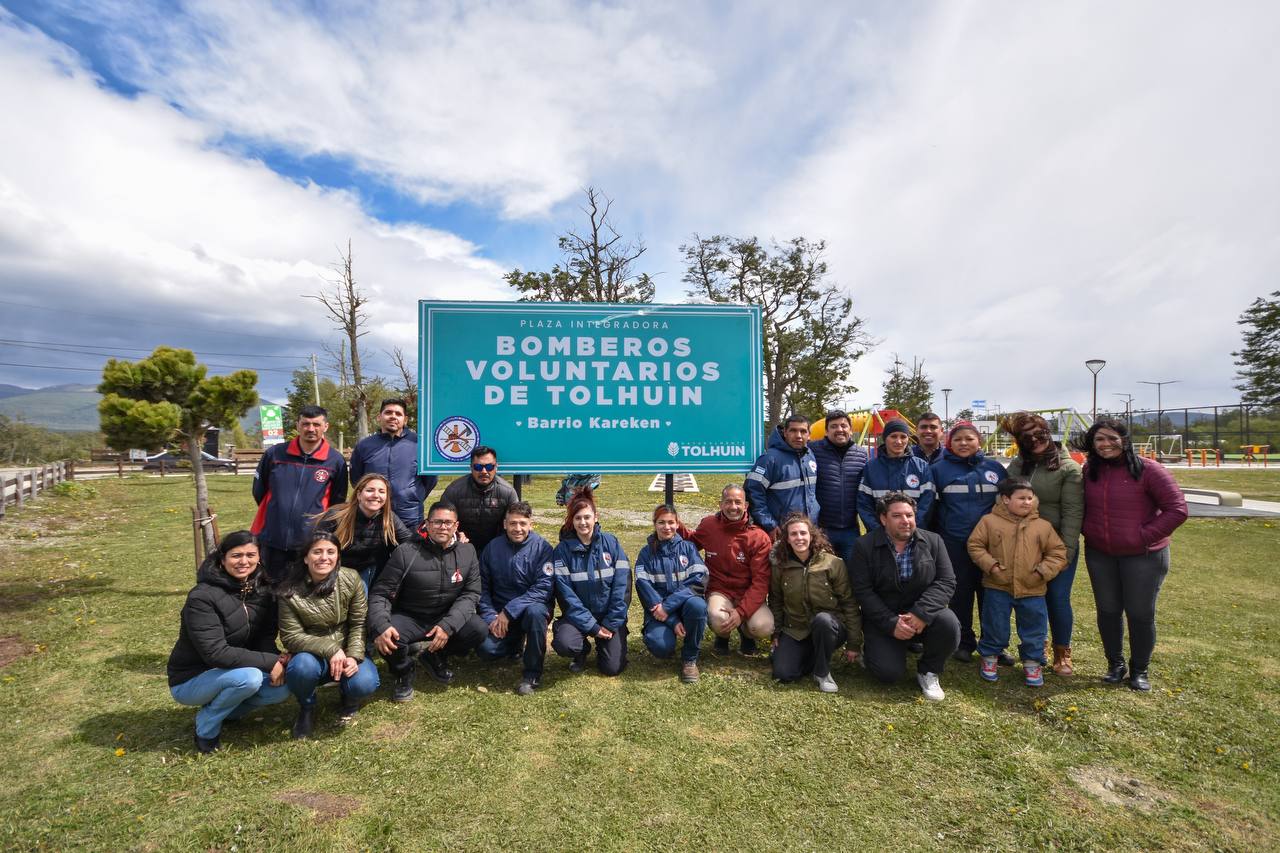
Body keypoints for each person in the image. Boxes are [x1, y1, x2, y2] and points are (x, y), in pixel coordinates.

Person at [1073, 418, 1187, 691]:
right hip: (1102, 554)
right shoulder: (1090, 471)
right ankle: (1115, 664)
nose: (1106, 444)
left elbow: (1177, 509)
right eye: (1100, 439)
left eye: (1112, 438)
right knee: (1108, 611)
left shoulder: (1149, 470)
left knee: (1139, 613)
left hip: (1143, 555)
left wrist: (1142, 536)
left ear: (1125, 440)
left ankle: (1139, 670)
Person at [168, 530, 292, 753]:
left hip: (234, 670)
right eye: (236, 555)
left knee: (280, 689)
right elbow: (215, 652)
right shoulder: (202, 596)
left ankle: (227, 710)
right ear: (222, 558)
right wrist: (268, 662)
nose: (244, 561)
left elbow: (264, 637)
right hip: (192, 678)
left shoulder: (262, 591)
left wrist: (276, 662)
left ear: (259, 557)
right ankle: (206, 727)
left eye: (250, 555)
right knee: (250, 678)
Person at [369, 501, 488, 702]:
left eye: (448, 523)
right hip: (410, 616)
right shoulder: (405, 552)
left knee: (478, 629)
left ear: (456, 526)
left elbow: (471, 594)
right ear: (427, 524)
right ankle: (403, 672)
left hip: (444, 615)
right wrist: (380, 624)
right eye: (437, 522)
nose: (443, 527)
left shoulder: (468, 552)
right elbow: (380, 594)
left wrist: (448, 625)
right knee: (389, 636)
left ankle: (435, 656)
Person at [848, 493, 960, 701]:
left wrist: (920, 613)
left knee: (949, 623)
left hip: (921, 618)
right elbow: (862, 591)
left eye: (909, 515)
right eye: (897, 516)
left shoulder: (933, 541)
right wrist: (891, 623)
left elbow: (946, 581)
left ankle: (928, 671)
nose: (905, 521)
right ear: (883, 519)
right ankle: (874, 650)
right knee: (888, 674)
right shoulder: (864, 546)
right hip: (884, 619)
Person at [1002, 412, 1084, 676]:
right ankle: (1039, 646)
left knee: (1057, 598)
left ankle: (1063, 651)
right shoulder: (1019, 465)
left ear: (1049, 433)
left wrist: (1067, 551)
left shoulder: (1068, 468)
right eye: (1027, 437)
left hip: (1056, 545)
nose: (1035, 440)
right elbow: (1004, 496)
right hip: (1025, 544)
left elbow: (1073, 512)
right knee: (1031, 599)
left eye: (1040, 434)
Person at [967, 477, 1068, 687]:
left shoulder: (1042, 526)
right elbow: (975, 545)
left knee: (1034, 627)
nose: (1026, 502)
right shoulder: (989, 522)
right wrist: (992, 567)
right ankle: (990, 657)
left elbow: (1058, 553)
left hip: (1033, 589)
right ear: (1005, 499)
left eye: (1030, 498)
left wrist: (1041, 572)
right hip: (998, 586)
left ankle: (1032, 662)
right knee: (995, 624)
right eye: (1021, 498)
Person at [277, 531, 378, 739]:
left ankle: (348, 695)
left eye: (331, 552)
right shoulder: (289, 591)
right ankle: (307, 706)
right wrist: (331, 649)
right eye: (317, 552)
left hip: (348, 647)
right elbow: (291, 636)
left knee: (365, 683)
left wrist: (354, 655)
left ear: (338, 556)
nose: (324, 557)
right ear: (306, 557)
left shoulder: (351, 578)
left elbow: (359, 622)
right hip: (312, 654)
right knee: (301, 668)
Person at [930, 420, 1007, 663]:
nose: (963, 443)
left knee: (991, 595)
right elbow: (932, 508)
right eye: (958, 439)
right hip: (955, 542)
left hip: (990, 546)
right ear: (949, 443)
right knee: (960, 594)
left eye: (969, 439)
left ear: (979, 441)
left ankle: (993, 644)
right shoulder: (938, 470)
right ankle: (963, 643)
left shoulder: (995, 468)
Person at [252, 405, 348, 582]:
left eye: (316, 424)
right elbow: (259, 491)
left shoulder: (335, 461)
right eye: (305, 424)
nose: (311, 429)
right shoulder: (275, 454)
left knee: (303, 595)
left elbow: (337, 502)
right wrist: (278, 512)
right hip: (272, 538)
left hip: (309, 543)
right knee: (268, 592)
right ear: (297, 425)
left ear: (325, 427)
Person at [768, 513, 861, 693]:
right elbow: (776, 600)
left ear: (812, 535)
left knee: (822, 621)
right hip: (796, 629)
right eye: (793, 534)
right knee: (783, 674)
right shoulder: (780, 566)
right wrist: (776, 634)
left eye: (803, 533)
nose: (799, 538)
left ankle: (822, 672)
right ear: (786, 539)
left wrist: (854, 643)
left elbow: (849, 603)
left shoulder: (833, 563)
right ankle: (812, 655)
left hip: (830, 626)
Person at [684, 484, 775, 655]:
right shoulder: (709, 525)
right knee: (718, 618)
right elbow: (691, 543)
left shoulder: (759, 537)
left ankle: (747, 634)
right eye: (728, 502)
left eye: (738, 502)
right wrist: (672, 525)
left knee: (764, 626)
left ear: (746, 505)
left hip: (747, 592)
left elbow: (761, 582)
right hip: (720, 591)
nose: (733, 507)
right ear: (720, 505)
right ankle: (723, 636)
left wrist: (741, 612)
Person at [476, 501, 555, 695]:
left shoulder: (543, 549)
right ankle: (514, 644)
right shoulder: (492, 548)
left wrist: (509, 611)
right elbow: (481, 587)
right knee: (486, 650)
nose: (517, 528)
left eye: (522, 523)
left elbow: (543, 588)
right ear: (504, 524)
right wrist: (490, 617)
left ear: (531, 524)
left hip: (531, 610)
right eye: (512, 523)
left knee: (536, 613)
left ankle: (532, 673)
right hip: (499, 616)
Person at [550, 489, 632, 676]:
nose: (583, 522)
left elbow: (623, 588)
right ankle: (581, 650)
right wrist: (592, 627)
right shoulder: (561, 551)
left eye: (587, 517)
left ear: (596, 517)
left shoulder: (611, 543)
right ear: (572, 520)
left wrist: (610, 624)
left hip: (608, 618)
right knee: (565, 644)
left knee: (612, 669)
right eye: (578, 518)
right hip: (577, 618)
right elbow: (566, 597)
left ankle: (611, 643)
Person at [634, 505, 709, 683]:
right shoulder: (646, 554)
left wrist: (668, 607)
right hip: (659, 611)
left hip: (680, 607)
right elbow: (644, 588)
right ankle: (668, 637)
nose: (666, 527)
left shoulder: (689, 549)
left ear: (677, 524)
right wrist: (671, 619)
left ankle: (690, 658)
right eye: (661, 522)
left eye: (671, 522)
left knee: (698, 606)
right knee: (660, 647)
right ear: (654, 524)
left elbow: (700, 581)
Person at [313, 473, 418, 592]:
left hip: (368, 570)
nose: (376, 495)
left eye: (382, 492)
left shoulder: (388, 519)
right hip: (336, 569)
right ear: (359, 494)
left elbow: (409, 543)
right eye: (370, 490)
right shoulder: (337, 516)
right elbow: (316, 546)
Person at [348, 398, 437, 530]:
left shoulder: (420, 444)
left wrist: (413, 497)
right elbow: (357, 480)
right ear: (379, 417)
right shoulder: (364, 446)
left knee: (409, 550)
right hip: (373, 517)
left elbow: (430, 479)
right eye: (388, 412)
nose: (393, 417)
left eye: (398, 414)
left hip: (409, 517)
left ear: (405, 419)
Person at [809, 409, 869, 564]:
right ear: (827, 431)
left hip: (850, 528)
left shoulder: (861, 454)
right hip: (821, 528)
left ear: (850, 429)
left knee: (852, 573)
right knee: (822, 574)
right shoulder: (813, 450)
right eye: (834, 426)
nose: (839, 429)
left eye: (843, 425)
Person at [744, 414, 819, 535]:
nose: (798, 436)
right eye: (793, 431)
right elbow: (753, 493)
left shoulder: (810, 455)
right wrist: (769, 524)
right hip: (781, 531)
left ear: (809, 435)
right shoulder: (769, 459)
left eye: (803, 431)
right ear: (785, 432)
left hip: (807, 530)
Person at [856, 419, 934, 533]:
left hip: (913, 534)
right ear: (885, 438)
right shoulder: (871, 467)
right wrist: (879, 531)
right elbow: (864, 503)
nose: (898, 441)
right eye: (893, 436)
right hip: (880, 537)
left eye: (903, 437)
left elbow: (927, 503)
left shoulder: (921, 467)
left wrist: (910, 530)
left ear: (908, 439)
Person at [441, 445, 519, 554]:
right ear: (471, 467)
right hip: (461, 547)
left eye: (489, 467)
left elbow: (517, 522)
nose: (483, 471)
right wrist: (456, 535)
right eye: (478, 467)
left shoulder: (508, 492)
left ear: (496, 467)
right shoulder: (454, 490)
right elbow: (442, 520)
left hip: (498, 548)